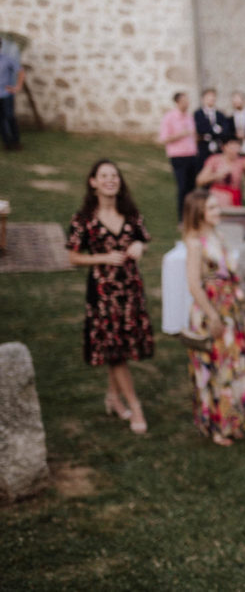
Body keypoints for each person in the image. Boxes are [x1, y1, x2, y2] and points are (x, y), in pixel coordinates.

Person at [66, 160, 153, 435]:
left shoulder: (130, 214)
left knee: (122, 348)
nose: (110, 180)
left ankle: (113, 398)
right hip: (103, 295)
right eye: (104, 176)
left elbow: (143, 239)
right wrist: (103, 257)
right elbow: (72, 257)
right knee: (115, 352)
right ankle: (135, 406)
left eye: (114, 175)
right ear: (93, 182)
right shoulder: (83, 220)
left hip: (130, 291)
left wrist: (139, 245)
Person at [182, 190, 245, 446]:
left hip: (231, 309)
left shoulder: (219, 235)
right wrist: (212, 315)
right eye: (212, 208)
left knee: (234, 365)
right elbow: (194, 284)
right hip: (211, 309)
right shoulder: (194, 243)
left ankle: (234, 419)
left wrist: (239, 313)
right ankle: (217, 425)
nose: (218, 212)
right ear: (199, 212)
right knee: (216, 367)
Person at [158, 91, 199, 222]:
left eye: (187, 101)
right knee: (182, 187)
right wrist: (181, 134)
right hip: (178, 157)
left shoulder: (189, 117)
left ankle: (192, 216)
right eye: (184, 101)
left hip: (192, 155)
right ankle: (182, 218)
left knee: (192, 188)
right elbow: (163, 138)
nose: (186, 103)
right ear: (177, 102)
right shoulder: (169, 117)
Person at [195, 134, 245, 207]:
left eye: (237, 145)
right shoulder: (214, 160)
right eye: (231, 145)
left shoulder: (241, 161)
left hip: (235, 200)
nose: (234, 148)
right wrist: (216, 176)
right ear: (223, 147)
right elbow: (200, 180)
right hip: (217, 200)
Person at [0, 37, 25, 151]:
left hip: (6, 94)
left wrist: (18, 87)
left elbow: (20, 71)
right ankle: (7, 143)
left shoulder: (7, 59)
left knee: (9, 117)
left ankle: (16, 141)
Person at [193, 88, 228, 169]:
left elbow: (225, 131)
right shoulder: (198, 114)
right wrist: (215, 130)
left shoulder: (220, 114)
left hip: (218, 148)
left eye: (213, 96)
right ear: (203, 99)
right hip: (203, 149)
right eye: (208, 96)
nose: (211, 99)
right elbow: (200, 129)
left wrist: (210, 133)